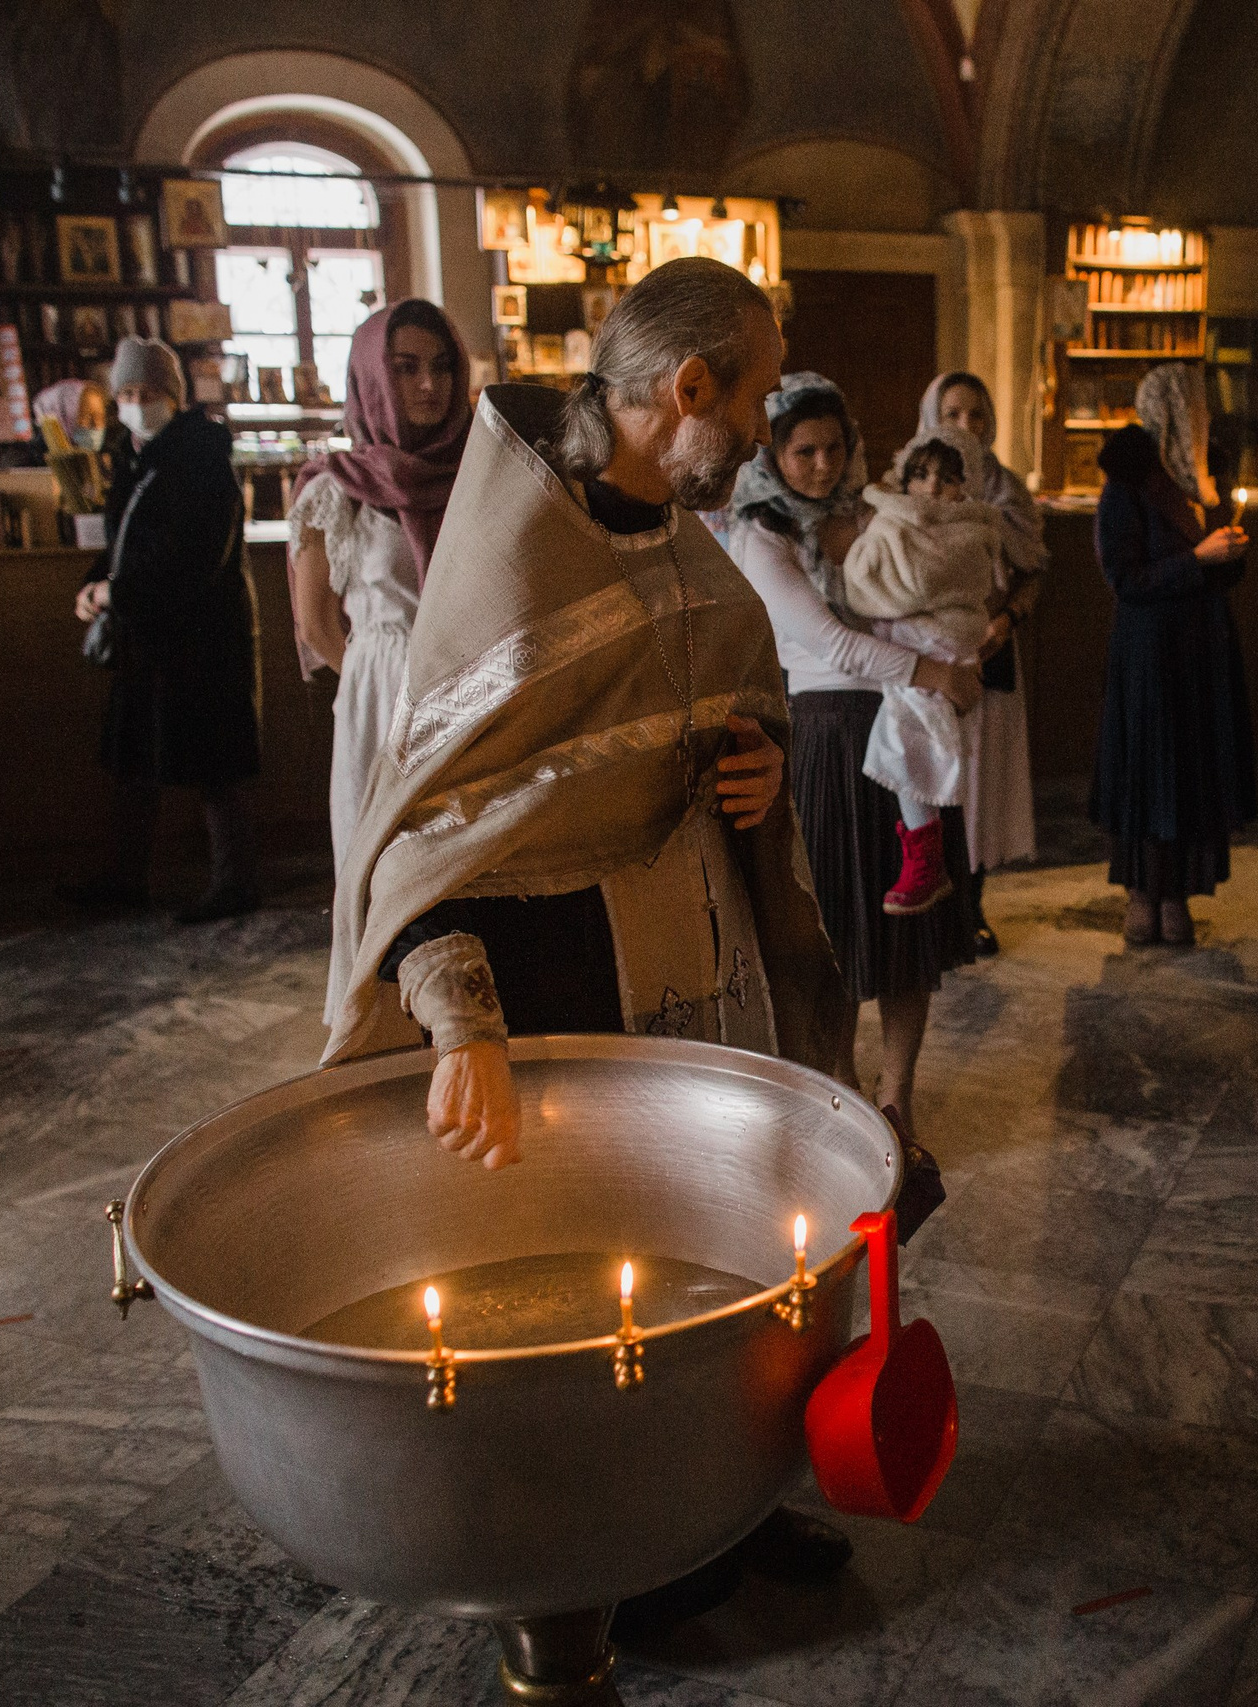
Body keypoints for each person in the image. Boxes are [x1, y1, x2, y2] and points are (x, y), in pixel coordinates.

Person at [319, 256, 863, 1614]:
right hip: (556, 978)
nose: (755, 428)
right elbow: (427, 834)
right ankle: (614, 1552)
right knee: (593, 1283)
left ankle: (726, 1510)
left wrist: (759, 772)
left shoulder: (676, 523)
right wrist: (462, 1023)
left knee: (720, 1247)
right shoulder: (517, 554)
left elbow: (729, 697)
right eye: (749, 396)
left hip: (698, 948)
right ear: (685, 390)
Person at [730, 375, 982, 1131]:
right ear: (772, 453)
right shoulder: (761, 531)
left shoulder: (872, 509)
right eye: (803, 450)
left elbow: (941, 576)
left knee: (910, 927)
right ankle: (841, 1087)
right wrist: (937, 670)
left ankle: (898, 1093)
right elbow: (830, 640)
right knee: (834, 929)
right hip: (831, 733)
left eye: (834, 448)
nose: (821, 464)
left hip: (908, 725)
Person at [63, 337, 260, 922]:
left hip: (203, 636)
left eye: (148, 393)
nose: (135, 404)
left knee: (217, 766)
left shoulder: (201, 458)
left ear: (173, 398)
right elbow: (122, 539)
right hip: (146, 633)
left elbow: (197, 557)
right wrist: (94, 583)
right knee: (133, 759)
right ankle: (124, 876)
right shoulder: (130, 456)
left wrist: (116, 593)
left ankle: (236, 882)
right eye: (125, 393)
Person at [284, 299, 471, 893]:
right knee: (386, 877)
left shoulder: (481, 471)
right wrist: (383, 682)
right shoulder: (335, 489)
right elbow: (315, 624)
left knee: (467, 872)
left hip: (474, 683)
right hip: (384, 690)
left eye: (443, 367)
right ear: (370, 376)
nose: (429, 384)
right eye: (405, 366)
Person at [1089, 362, 1255, 948]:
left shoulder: (1203, 474)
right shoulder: (1130, 478)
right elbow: (1125, 578)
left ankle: (1178, 892)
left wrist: (1228, 554)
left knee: (1190, 772)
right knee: (1150, 771)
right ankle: (1142, 892)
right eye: (1191, 407)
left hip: (1199, 651)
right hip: (1150, 656)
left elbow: (1215, 568)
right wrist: (1200, 559)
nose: (1199, 418)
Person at [841, 427, 1002, 914]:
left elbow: (939, 583)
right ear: (903, 477)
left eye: (949, 478)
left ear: (966, 485)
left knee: (907, 732)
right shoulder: (885, 521)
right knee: (912, 735)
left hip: (945, 647)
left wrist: (912, 592)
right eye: (922, 474)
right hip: (909, 648)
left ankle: (925, 851)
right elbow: (860, 587)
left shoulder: (975, 527)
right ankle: (924, 849)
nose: (933, 488)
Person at [911, 372, 1043, 953]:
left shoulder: (1005, 490)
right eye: (953, 414)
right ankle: (932, 910)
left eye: (977, 415)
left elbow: (1032, 572)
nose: (966, 427)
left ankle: (972, 908)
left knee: (982, 787)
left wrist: (1006, 619)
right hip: (932, 658)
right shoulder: (913, 483)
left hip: (993, 652)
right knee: (936, 781)